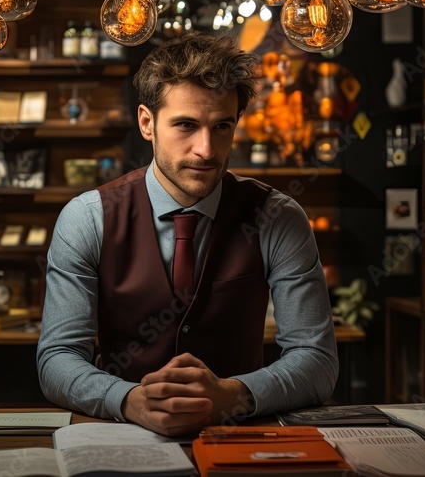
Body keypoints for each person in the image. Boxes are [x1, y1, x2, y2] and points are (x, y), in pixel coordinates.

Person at [36, 33, 338, 436]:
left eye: (222, 127)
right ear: (147, 123)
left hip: (241, 436)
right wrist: (128, 400)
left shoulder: (277, 217)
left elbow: (316, 359)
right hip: (123, 436)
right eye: (186, 125)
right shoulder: (87, 218)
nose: (206, 149)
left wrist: (236, 395)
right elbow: (57, 358)